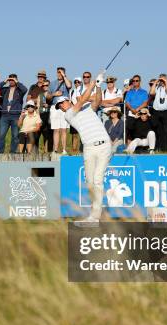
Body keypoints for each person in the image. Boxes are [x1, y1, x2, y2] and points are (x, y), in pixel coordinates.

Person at [54, 72, 110, 223]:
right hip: (89, 147)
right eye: (59, 107)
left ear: (67, 100)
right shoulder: (69, 115)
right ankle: (95, 214)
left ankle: (95, 216)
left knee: (97, 180)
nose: (62, 107)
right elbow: (82, 100)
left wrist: (98, 87)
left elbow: (97, 101)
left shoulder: (86, 107)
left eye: (62, 104)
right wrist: (91, 85)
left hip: (104, 144)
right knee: (91, 182)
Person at [0, 74, 27, 153]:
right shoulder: (5, 89)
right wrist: (5, 81)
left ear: (16, 80)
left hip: (15, 116)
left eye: (13, 80)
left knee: (15, 136)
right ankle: (0, 152)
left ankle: (13, 152)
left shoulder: (19, 90)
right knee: (1, 135)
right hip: (4, 115)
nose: (11, 81)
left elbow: (25, 89)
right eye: (10, 80)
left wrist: (17, 81)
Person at [46, 67, 72, 155]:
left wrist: (64, 76)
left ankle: (64, 149)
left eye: (61, 72)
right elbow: (47, 97)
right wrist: (54, 94)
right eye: (58, 72)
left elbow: (69, 86)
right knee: (56, 130)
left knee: (63, 129)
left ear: (64, 73)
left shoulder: (67, 81)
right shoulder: (52, 83)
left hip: (64, 107)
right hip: (55, 107)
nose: (59, 74)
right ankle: (55, 150)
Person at [149, 74, 167, 152]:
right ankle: (157, 148)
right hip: (156, 111)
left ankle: (166, 149)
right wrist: (156, 82)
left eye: (163, 80)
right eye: (161, 80)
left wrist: (165, 82)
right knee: (157, 130)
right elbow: (151, 93)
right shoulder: (157, 87)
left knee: (166, 131)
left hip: (166, 111)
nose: (162, 81)